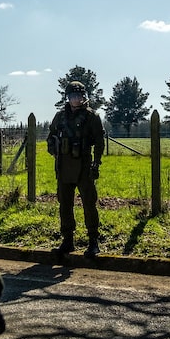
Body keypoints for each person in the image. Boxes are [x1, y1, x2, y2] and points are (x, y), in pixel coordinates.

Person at [47, 81, 106, 258]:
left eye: (79, 96)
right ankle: (67, 240)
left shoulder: (91, 117)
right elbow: (50, 137)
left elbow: (100, 142)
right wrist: (55, 150)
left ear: (84, 97)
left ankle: (93, 241)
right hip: (64, 166)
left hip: (84, 166)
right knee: (65, 204)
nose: (76, 99)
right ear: (68, 98)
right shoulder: (60, 117)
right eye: (72, 96)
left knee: (89, 204)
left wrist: (96, 163)